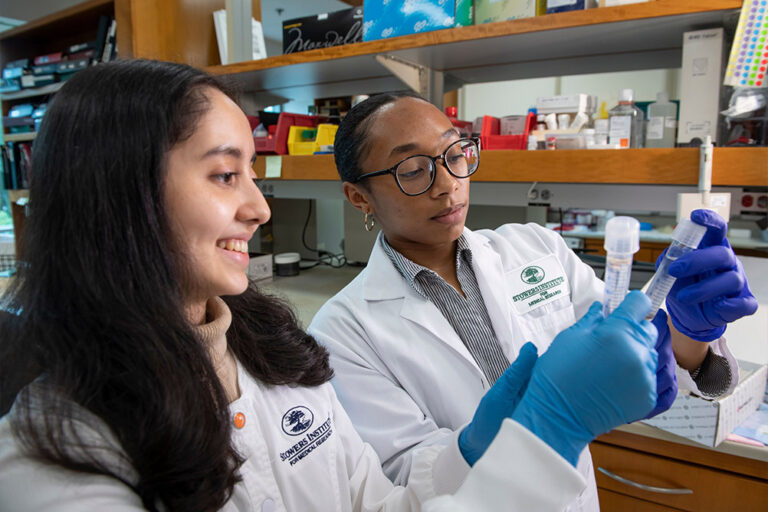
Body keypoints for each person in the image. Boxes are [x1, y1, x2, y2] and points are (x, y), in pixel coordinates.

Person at [0, 60, 664, 512]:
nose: (260, 209)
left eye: (455, 154)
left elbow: (381, 504)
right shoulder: (52, 459)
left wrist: (472, 450)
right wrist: (546, 433)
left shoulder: (275, 360)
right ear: (120, 194)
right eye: (226, 175)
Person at [308, 92, 759, 509]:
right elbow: (403, 482)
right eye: (412, 171)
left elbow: (633, 355)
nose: (448, 184)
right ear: (358, 197)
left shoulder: (536, 248)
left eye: (454, 154)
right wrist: (482, 445)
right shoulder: (342, 331)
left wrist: (688, 332)